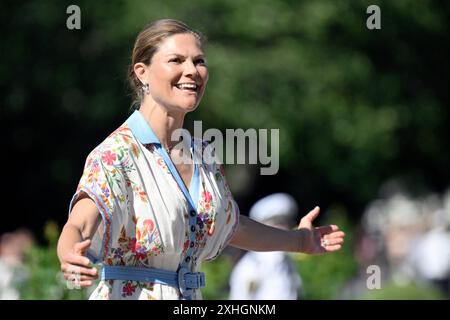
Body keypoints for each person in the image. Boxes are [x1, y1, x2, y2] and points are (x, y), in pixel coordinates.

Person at [57, 19, 345, 300]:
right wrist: (69, 253)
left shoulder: (203, 154)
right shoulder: (116, 153)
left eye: (199, 61)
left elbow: (231, 227)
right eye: (176, 60)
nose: (191, 71)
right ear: (142, 72)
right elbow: (80, 223)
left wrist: (299, 241)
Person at [229, 193, 302, 300]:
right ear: (263, 229)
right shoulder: (251, 265)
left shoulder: (288, 261)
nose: (284, 229)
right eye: (276, 224)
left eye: (286, 223)